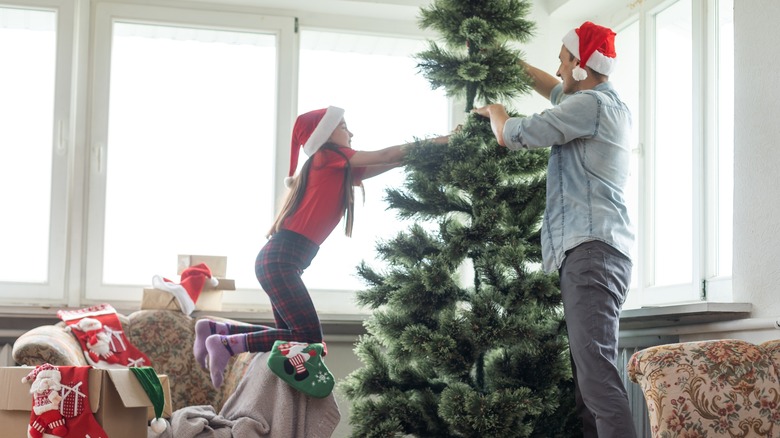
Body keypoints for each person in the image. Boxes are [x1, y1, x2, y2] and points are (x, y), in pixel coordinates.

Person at [193, 106, 447, 390]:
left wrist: (431, 151)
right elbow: (387, 155)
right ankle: (226, 344)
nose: (350, 132)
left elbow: (392, 161)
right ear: (323, 134)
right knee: (308, 339)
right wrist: (444, 140)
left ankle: (216, 330)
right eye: (343, 126)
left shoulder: (336, 167)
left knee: (293, 335)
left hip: (278, 260)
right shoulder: (327, 157)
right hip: (280, 261)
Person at [473, 22, 636, 438]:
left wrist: (496, 112)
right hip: (598, 252)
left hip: (590, 253)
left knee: (597, 380)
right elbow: (554, 88)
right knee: (589, 382)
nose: (559, 69)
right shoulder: (602, 103)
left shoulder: (590, 107)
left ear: (581, 66)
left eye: (564, 61)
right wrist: (504, 57)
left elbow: (514, 134)